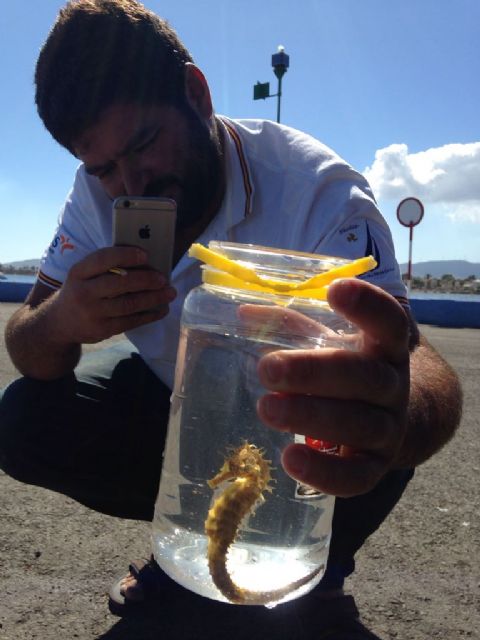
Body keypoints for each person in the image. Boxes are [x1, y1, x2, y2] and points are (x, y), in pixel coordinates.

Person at [0, 1, 462, 638]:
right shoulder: (92, 197)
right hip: (176, 406)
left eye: (142, 144)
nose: (133, 183)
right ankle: (179, 547)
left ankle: (320, 574)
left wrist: (397, 409)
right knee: (25, 416)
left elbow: (411, 354)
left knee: (379, 406)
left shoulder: (317, 190)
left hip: (289, 422)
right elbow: (27, 341)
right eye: (103, 167)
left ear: (195, 92)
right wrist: (61, 320)